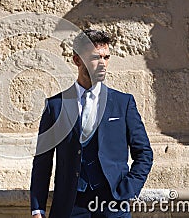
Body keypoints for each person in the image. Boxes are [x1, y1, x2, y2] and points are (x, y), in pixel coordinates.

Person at [30, 29, 153, 218]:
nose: (103, 63)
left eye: (106, 57)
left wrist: (128, 189)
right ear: (77, 60)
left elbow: (144, 153)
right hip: (69, 205)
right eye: (96, 57)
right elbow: (42, 161)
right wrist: (37, 208)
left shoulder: (123, 103)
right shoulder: (55, 106)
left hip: (113, 205)